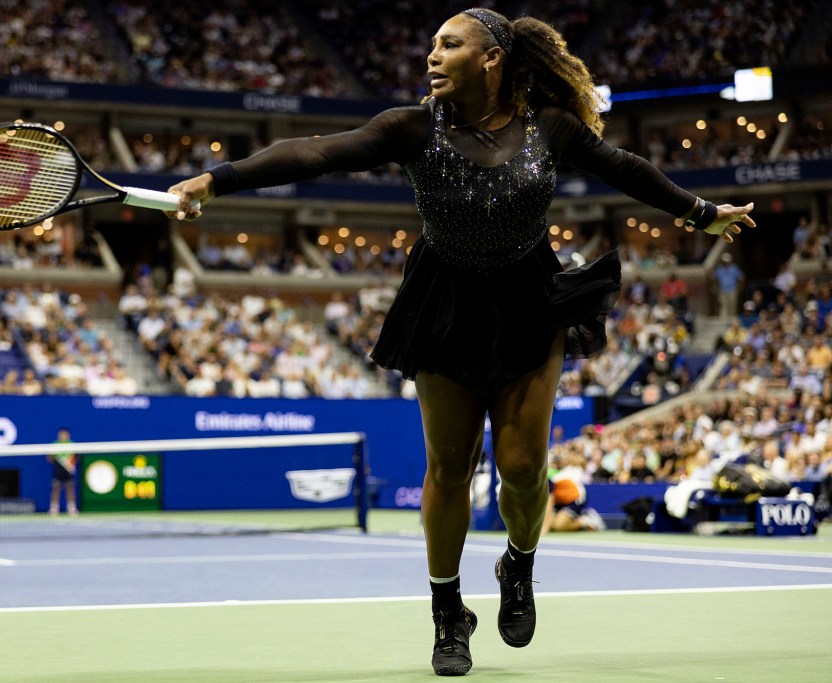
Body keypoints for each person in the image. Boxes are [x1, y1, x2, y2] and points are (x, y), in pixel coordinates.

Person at [166, 7, 755, 676]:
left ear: (492, 59)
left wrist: (702, 213)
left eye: (450, 45)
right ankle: (449, 613)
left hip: (530, 300)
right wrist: (220, 178)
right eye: (432, 46)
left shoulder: (551, 129)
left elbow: (626, 168)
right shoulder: (412, 128)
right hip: (443, 301)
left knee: (525, 467)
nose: (433, 57)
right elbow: (319, 151)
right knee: (448, 466)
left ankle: (518, 565)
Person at [47, 428, 78, 516]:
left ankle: (71, 508)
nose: (63, 435)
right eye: (61, 434)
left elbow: (76, 457)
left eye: (65, 434)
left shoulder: (72, 445)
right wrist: (58, 461)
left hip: (69, 470)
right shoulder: (55, 445)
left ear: (68, 435)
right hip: (58, 470)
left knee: (70, 488)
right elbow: (49, 458)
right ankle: (54, 508)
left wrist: (69, 465)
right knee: (56, 489)